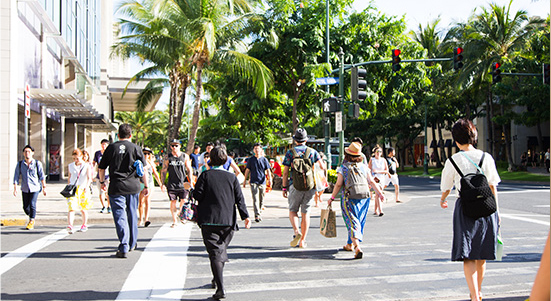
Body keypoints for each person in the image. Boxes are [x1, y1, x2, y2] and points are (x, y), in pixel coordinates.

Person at [440, 119, 501, 301]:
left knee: (468, 255)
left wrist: (443, 200)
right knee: (482, 254)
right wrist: (497, 213)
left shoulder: (453, 160)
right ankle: (478, 291)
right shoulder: (486, 157)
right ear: (473, 136)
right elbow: (493, 186)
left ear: (456, 140)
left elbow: (446, 187)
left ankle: (474, 296)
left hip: (465, 208)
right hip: (487, 207)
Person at [192, 146, 251, 300]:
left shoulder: (205, 175)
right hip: (228, 222)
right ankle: (216, 278)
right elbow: (240, 199)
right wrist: (246, 216)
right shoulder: (232, 177)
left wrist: (191, 188)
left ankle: (220, 288)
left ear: (210, 159)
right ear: (226, 159)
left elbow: (197, 195)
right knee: (219, 252)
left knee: (215, 253)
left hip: (209, 220)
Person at [98, 124, 149, 258]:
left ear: (118, 135)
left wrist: (102, 182)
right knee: (132, 213)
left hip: (116, 187)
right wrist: (147, 186)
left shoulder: (111, 148)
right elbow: (143, 169)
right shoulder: (136, 148)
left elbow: (102, 168)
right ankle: (132, 243)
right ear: (130, 135)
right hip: (133, 186)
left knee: (120, 216)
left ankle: (124, 245)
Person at [327, 142, 385, 259]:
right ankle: (349, 244)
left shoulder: (343, 168)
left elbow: (338, 185)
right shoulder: (364, 167)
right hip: (364, 198)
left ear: (347, 155)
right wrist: (379, 193)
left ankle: (357, 247)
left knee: (352, 222)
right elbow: (372, 182)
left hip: (349, 198)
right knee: (359, 221)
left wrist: (332, 197)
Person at [282, 128, 324, 248]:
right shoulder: (313, 152)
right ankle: (303, 241)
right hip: (310, 187)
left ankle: (296, 231)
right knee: (306, 213)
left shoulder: (290, 153)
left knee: (293, 210)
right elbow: (322, 167)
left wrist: (284, 188)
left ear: (295, 140)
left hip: (294, 186)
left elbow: (285, 172)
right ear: (306, 140)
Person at [161, 139, 194, 228]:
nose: (174, 147)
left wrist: (191, 181)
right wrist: (162, 183)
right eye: (172, 146)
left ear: (180, 146)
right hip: (172, 183)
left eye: (176, 145)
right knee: (173, 202)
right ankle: (175, 220)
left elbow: (189, 169)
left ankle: (181, 214)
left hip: (183, 183)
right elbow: (164, 170)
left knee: (184, 200)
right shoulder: (168, 157)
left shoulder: (185, 156)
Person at [12, 145, 46, 230]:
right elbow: (16, 176)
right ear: (23, 153)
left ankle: (31, 221)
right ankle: (31, 214)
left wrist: (44, 187)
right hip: (25, 188)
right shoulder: (20, 164)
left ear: (32, 153)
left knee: (32, 204)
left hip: (35, 187)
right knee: (25, 207)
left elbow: (41, 176)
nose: (27, 153)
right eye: (26, 152)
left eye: (29, 151)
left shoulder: (37, 163)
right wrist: (15, 188)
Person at [66, 149, 93, 234]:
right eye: (74, 158)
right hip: (73, 188)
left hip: (83, 188)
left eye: (77, 158)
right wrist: (69, 186)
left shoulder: (86, 165)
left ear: (81, 157)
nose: (75, 160)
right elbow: (69, 177)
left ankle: (84, 224)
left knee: (83, 208)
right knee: (71, 207)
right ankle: (70, 225)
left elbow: (89, 177)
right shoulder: (71, 166)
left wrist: (87, 186)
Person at [243, 143, 272, 222]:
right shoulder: (251, 160)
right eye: (255, 148)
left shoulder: (264, 160)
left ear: (261, 150)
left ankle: (259, 210)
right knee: (255, 198)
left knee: (261, 198)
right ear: (253, 150)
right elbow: (247, 170)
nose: (256, 150)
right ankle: (257, 215)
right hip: (253, 182)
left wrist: (270, 180)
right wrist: (245, 180)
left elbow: (268, 170)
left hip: (262, 181)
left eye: (258, 148)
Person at [138, 147, 164, 227]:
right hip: (140, 183)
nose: (146, 155)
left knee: (147, 201)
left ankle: (146, 219)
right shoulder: (139, 162)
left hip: (149, 183)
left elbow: (155, 174)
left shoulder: (151, 163)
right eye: (144, 153)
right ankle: (141, 219)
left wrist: (160, 184)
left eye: (148, 154)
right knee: (141, 202)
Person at [368, 145, 388, 216]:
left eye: (380, 151)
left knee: (378, 194)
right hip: (374, 178)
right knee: (378, 193)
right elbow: (369, 170)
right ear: (374, 152)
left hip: (382, 178)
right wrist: (370, 179)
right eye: (377, 151)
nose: (378, 153)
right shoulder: (372, 160)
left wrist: (379, 171)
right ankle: (380, 210)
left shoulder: (383, 160)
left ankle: (376, 209)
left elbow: (386, 170)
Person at [93, 139, 111, 213]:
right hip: (100, 176)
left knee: (108, 192)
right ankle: (103, 206)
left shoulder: (110, 153)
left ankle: (109, 206)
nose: (103, 146)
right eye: (102, 144)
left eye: (105, 145)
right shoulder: (97, 153)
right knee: (101, 192)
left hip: (108, 175)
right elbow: (94, 163)